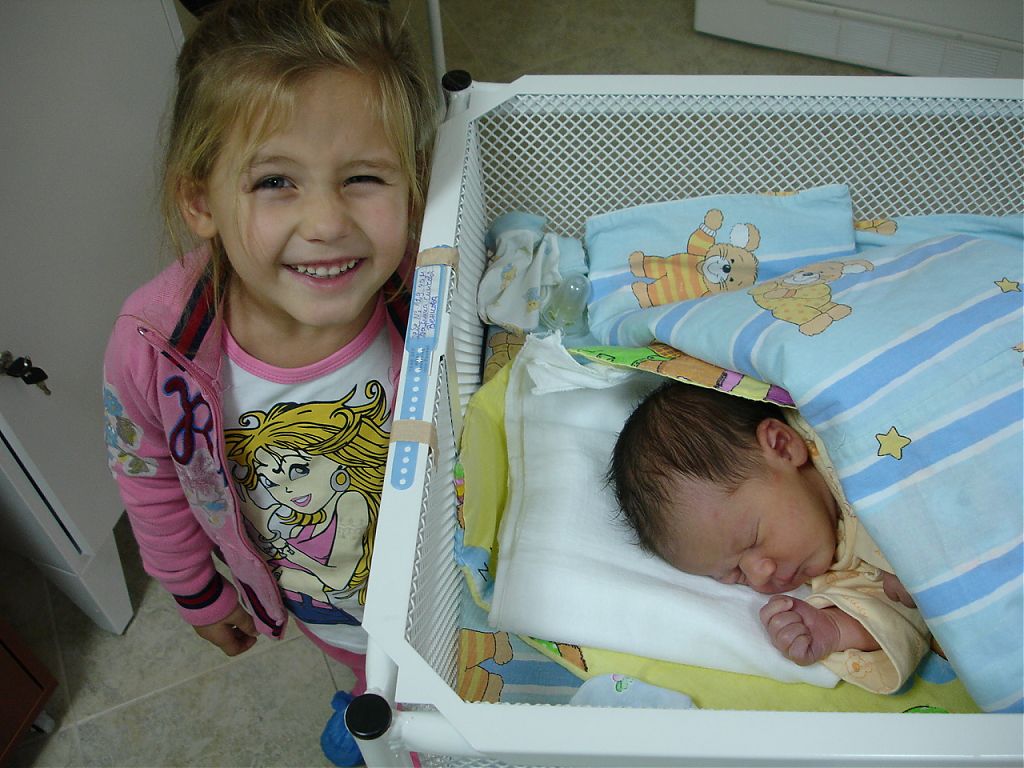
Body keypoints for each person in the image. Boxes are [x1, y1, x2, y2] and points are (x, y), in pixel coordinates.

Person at [103, 0, 436, 716]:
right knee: (379, 692)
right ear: (201, 200)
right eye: (275, 182)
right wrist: (195, 589)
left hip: (447, 584)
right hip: (328, 609)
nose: (327, 223)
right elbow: (147, 473)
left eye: (364, 177)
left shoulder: (434, 289)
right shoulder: (155, 347)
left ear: (414, 182)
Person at [607, 380, 932, 693]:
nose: (760, 575)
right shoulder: (840, 572)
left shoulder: (844, 432)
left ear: (782, 447)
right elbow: (902, 621)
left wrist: (919, 543)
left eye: (753, 539)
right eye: (735, 574)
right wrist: (834, 627)